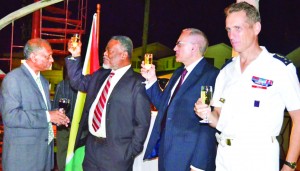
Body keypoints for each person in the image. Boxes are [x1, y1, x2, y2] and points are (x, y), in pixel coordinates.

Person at [194, 2, 300, 171]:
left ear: (256, 28)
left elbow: (298, 118)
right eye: (228, 29)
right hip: (224, 157)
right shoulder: (227, 70)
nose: (231, 35)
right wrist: (206, 113)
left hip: (258, 158)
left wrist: (289, 165)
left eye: (237, 28)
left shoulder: (279, 67)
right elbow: (218, 118)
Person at [65, 35, 151, 171]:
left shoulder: (137, 83)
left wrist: (130, 152)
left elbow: (142, 123)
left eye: (109, 51)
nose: (104, 53)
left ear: (123, 54)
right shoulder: (100, 75)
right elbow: (77, 82)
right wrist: (75, 56)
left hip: (117, 154)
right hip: (92, 148)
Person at [142, 28, 219, 171]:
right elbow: (163, 105)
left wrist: (199, 163)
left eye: (179, 44)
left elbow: (207, 121)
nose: (174, 48)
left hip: (188, 156)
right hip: (167, 150)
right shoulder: (178, 73)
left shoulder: (210, 75)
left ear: (193, 48)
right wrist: (151, 79)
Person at [1, 38, 70, 171]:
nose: (52, 60)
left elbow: (41, 110)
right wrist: (48, 116)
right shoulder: (13, 79)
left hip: (43, 156)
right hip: (23, 160)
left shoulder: (43, 80)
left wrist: (57, 116)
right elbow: (11, 117)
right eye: (48, 56)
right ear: (33, 57)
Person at [52, 67, 78, 171]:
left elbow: (55, 107)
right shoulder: (85, 85)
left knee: (62, 153)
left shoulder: (62, 85)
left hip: (63, 126)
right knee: (77, 155)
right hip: (80, 128)